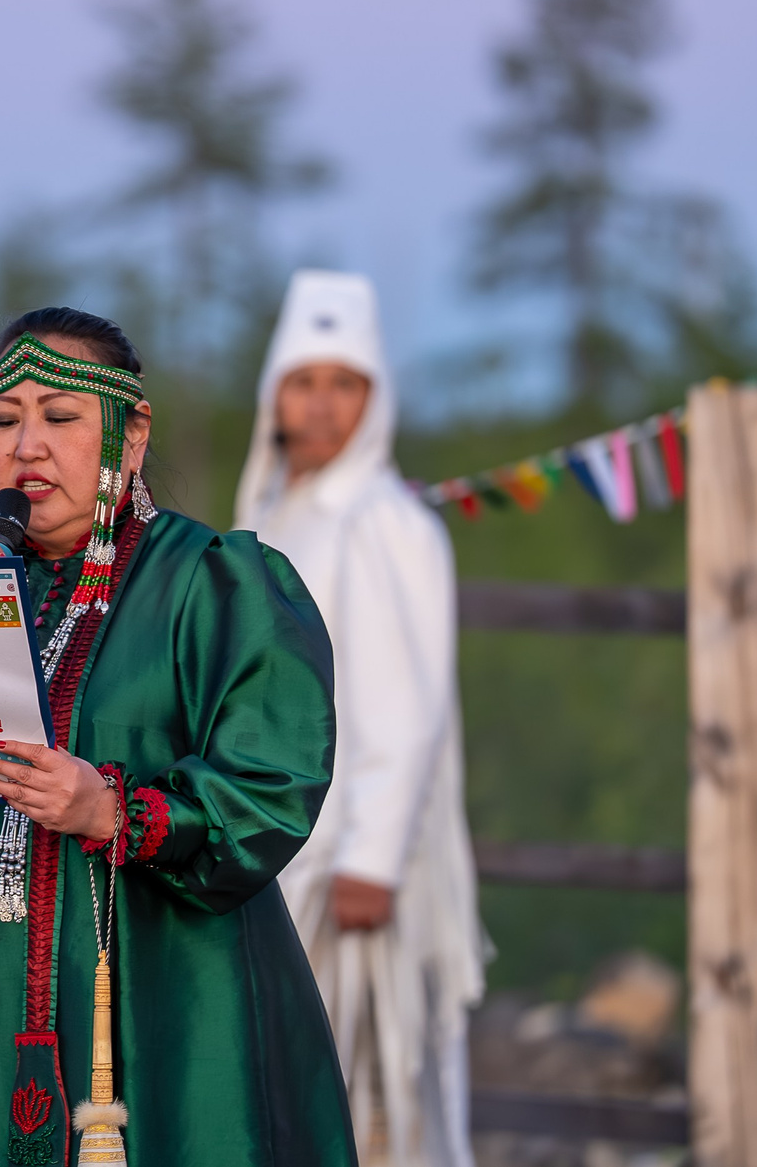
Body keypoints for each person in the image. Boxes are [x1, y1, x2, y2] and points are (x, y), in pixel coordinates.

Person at [0, 306, 354, 1167]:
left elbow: (271, 780)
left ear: (129, 433)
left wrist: (115, 809)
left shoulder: (210, 583)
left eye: (61, 417)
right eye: (4, 421)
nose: (27, 446)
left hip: (143, 991)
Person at [234, 270, 488, 1167]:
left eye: (346, 384)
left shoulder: (388, 523)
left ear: (375, 399)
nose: (323, 405)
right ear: (277, 392)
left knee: (369, 1100)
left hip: (347, 866)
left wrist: (373, 858)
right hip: (280, 852)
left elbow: (406, 706)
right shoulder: (270, 512)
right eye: (306, 381)